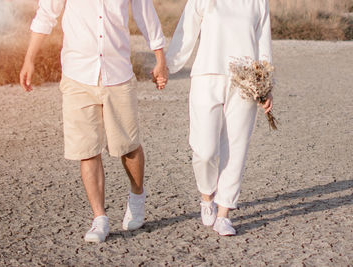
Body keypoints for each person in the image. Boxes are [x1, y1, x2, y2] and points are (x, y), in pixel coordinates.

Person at [20, 0, 168, 243]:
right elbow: (46, 13)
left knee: (128, 147)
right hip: (77, 74)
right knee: (87, 150)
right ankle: (100, 218)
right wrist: (29, 59)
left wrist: (160, 59)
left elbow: (145, 13)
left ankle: (137, 195)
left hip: (117, 73)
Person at [166, 0, 273, 236]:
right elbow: (186, 31)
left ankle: (224, 213)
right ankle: (207, 196)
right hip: (206, 76)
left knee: (236, 147)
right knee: (204, 150)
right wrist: (168, 66)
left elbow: (263, 43)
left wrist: (265, 85)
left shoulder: (258, 2)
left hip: (245, 81)